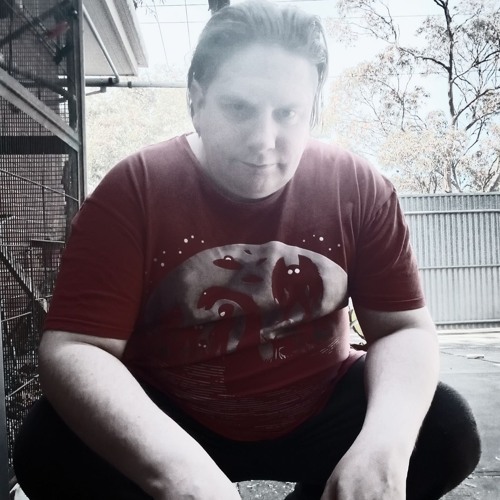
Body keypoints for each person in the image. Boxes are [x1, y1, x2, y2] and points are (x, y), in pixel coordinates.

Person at [13, 1, 481, 499]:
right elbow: (75, 347)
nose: (263, 140)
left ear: (312, 111)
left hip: (319, 409)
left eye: (288, 114)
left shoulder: (359, 188)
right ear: (196, 101)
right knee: (48, 447)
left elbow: (404, 328)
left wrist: (383, 447)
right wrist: (175, 472)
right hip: (173, 418)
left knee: (445, 431)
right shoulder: (133, 190)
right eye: (239, 108)